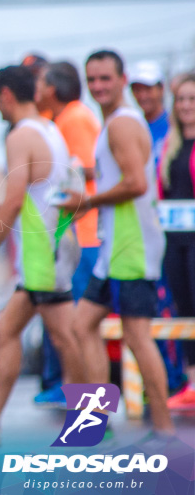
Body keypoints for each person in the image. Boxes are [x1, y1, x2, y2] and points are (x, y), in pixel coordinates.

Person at [0, 66, 83, 446]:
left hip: (42, 251)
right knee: (13, 332)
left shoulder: (20, 136)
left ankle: (91, 422)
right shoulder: (49, 129)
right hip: (50, 245)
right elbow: (41, 192)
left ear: (7, 94)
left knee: (66, 336)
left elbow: (14, 200)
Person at [63, 50, 174, 437]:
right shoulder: (116, 124)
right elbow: (124, 172)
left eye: (105, 79)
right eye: (92, 80)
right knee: (82, 325)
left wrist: (87, 201)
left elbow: (136, 184)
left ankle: (164, 429)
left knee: (137, 338)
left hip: (132, 245)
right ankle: (94, 423)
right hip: (113, 248)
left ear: (122, 80)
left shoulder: (121, 124)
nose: (98, 87)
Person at [31, 60, 102, 406]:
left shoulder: (74, 117)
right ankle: (71, 389)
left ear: (53, 89)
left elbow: (90, 169)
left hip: (85, 234)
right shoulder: (60, 121)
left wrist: (65, 177)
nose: (36, 90)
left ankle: (82, 397)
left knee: (78, 323)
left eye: (41, 83)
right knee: (70, 322)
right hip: (72, 233)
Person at [129, 60, 185, 394]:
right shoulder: (132, 127)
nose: (144, 95)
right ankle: (160, 387)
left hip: (177, 234)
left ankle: (176, 383)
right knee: (150, 313)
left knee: (176, 306)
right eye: (137, 88)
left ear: (161, 90)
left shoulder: (176, 128)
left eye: (149, 87)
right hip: (141, 236)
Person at [158, 73, 195, 410]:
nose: (185, 105)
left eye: (192, 99)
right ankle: (190, 379)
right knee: (182, 307)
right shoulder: (169, 145)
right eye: (181, 99)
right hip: (173, 239)